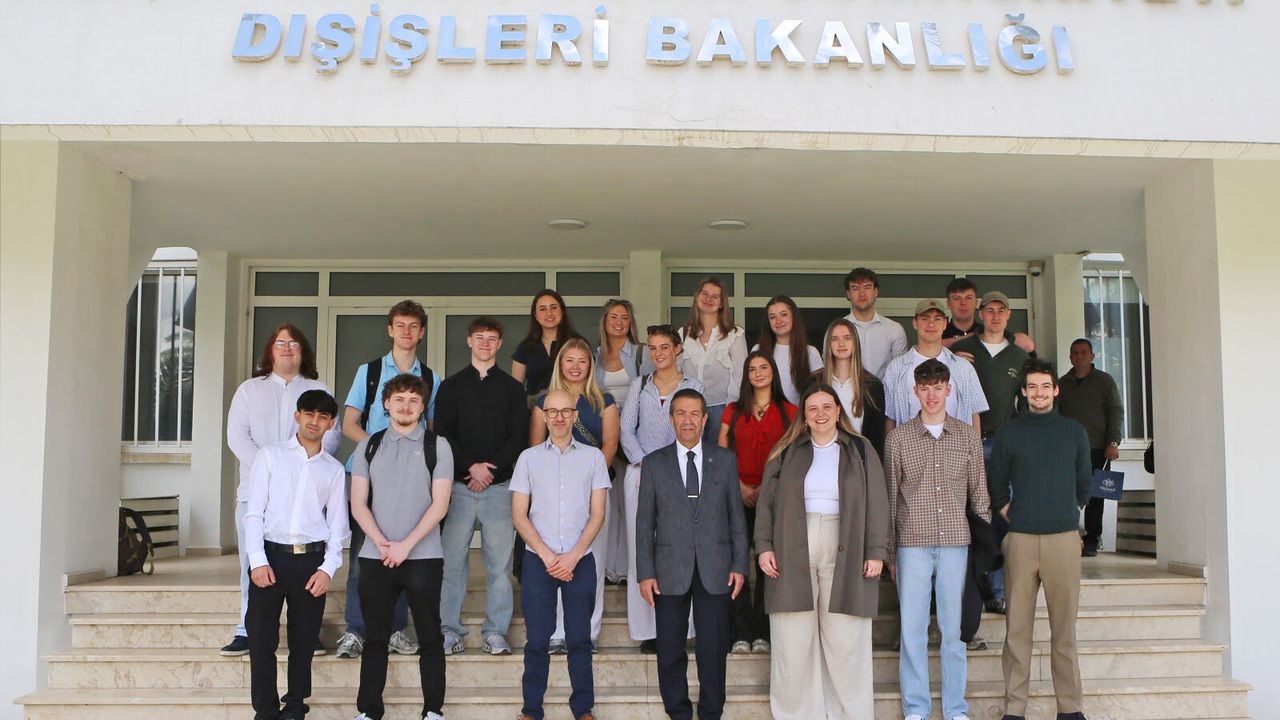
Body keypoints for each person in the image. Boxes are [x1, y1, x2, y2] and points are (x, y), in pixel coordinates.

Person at [755, 383, 889, 720]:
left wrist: (876, 550)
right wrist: (764, 546)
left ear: (838, 410)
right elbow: (766, 504)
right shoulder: (786, 450)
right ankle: (797, 714)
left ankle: (849, 714)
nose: (820, 414)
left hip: (846, 542)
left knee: (846, 638)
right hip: (791, 543)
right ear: (804, 415)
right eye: (812, 408)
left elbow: (878, 501)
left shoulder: (860, 449)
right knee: (792, 638)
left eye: (827, 407)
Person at [224, 324, 340, 657]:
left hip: (307, 496)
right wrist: (271, 470)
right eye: (280, 342)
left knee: (307, 566)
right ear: (270, 350)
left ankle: (307, 631)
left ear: (303, 351)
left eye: (293, 343)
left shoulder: (317, 389)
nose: (287, 347)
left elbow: (331, 437)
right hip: (254, 493)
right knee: (252, 562)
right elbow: (237, 436)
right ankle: (247, 629)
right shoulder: (249, 390)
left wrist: (298, 466)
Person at [884, 359, 991, 720]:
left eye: (938, 387)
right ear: (915, 391)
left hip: (955, 542)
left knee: (953, 631)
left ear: (949, 390)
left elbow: (980, 495)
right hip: (911, 543)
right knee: (912, 630)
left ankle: (955, 709)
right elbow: (890, 497)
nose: (932, 395)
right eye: (925, 388)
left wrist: (984, 546)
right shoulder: (898, 439)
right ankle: (916, 708)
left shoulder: (967, 437)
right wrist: (890, 553)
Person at [336, 300, 442, 659]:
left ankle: (395, 629)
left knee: (403, 554)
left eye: (413, 326)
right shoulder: (368, 372)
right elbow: (349, 423)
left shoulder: (431, 378)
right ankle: (356, 630)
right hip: (368, 475)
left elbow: (431, 429)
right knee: (363, 556)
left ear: (422, 332)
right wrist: (380, 449)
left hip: (412, 479)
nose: (406, 332)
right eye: (400, 325)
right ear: (390, 330)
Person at [989, 359, 1092, 720]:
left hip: (1063, 539)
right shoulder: (1009, 434)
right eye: (1032, 386)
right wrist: (1011, 513)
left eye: (1045, 386)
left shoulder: (1074, 432)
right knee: (1017, 631)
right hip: (1021, 540)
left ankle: (1070, 708)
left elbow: (1084, 482)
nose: (1039, 393)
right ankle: (1015, 709)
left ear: (1055, 390)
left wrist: (1068, 510)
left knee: (1064, 632)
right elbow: (996, 484)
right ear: (1023, 391)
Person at [636, 388, 748, 720]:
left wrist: (740, 565)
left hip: (716, 568)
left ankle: (711, 713)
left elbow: (736, 518)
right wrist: (645, 572)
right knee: (670, 649)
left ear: (704, 418)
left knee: (713, 649)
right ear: (671, 419)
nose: (688, 420)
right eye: (681, 413)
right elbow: (644, 524)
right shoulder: (654, 463)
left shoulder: (724, 460)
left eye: (694, 413)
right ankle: (679, 713)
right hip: (668, 569)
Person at [350, 374, 453, 720]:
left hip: (423, 556)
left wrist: (405, 546)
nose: (405, 406)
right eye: (399, 399)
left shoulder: (438, 445)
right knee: (375, 638)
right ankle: (369, 711)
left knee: (430, 637)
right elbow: (358, 504)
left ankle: (433, 711)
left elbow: (440, 505)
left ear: (423, 407)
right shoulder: (368, 445)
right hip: (376, 555)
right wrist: (382, 542)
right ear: (386, 404)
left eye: (413, 400)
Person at [242, 390, 347, 720]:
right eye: (309, 414)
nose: (315, 421)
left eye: (323, 417)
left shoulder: (333, 470)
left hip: (310, 563)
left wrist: (328, 569)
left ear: (330, 424)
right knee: (261, 639)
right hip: (270, 558)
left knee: (304, 641)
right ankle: (265, 710)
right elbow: (254, 513)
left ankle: (296, 706)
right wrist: (257, 560)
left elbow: (338, 525)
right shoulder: (270, 456)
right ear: (297, 416)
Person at [511, 389, 611, 720]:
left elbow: (598, 514)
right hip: (538, 561)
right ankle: (531, 710)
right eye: (551, 411)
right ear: (543, 416)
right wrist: (547, 556)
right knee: (537, 641)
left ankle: (583, 709)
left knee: (580, 639)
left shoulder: (594, 458)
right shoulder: (528, 458)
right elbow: (519, 515)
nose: (558, 417)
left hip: (580, 561)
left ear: (575, 415)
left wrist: (572, 556)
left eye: (565, 411)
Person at [434, 317, 529, 656]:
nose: (485, 343)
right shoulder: (450, 386)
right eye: (479, 337)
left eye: (491, 338)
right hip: (458, 489)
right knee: (451, 564)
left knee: (499, 566)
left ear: (500, 344)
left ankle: (496, 632)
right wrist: (470, 467)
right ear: (469, 341)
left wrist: (490, 471)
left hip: (499, 488)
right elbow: (442, 434)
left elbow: (518, 437)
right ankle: (449, 631)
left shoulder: (513, 389)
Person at [529, 338, 620, 651]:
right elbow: (535, 450)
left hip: (594, 492)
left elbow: (610, 446)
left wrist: (588, 480)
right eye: (570, 360)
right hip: (551, 494)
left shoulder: (604, 401)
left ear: (591, 365)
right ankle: (556, 633)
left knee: (591, 563)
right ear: (560, 364)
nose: (576, 366)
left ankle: (586, 633)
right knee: (554, 559)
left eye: (583, 360)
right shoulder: (544, 402)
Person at [620, 324, 702, 653]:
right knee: (642, 551)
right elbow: (626, 429)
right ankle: (648, 630)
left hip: (682, 475)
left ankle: (680, 629)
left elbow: (694, 429)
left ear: (677, 349)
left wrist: (674, 465)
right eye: (652, 348)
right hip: (641, 474)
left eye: (664, 347)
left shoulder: (692, 386)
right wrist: (646, 465)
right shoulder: (639, 385)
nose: (658, 354)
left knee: (680, 551)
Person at [953, 291, 1032, 618]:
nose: (995, 316)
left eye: (1001, 310)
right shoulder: (963, 349)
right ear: (980, 314)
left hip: (1004, 445)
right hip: (965, 443)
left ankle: (997, 591)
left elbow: (1026, 405)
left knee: (1002, 515)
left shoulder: (1019, 355)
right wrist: (952, 354)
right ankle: (967, 590)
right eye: (989, 310)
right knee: (967, 516)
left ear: (1008, 315)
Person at [718, 351, 796, 655]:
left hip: (773, 497)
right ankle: (740, 631)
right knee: (736, 562)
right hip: (736, 494)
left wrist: (766, 488)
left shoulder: (790, 411)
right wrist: (738, 486)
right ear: (746, 375)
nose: (759, 373)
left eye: (764, 367)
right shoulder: (734, 410)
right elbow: (722, 452)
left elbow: (793, 456)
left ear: (774, 372)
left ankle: (762, 632)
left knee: (768, 564)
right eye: (752, 369)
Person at [594, 298, 653, 585]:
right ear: (604, 322)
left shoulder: (642, 354)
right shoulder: (594, 356)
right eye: (613, 317)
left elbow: (650, 391)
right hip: (602, 436)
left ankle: (631, 570)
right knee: (607, 503)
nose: (619, 322)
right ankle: (609, 569)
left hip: (633, 435)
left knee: (632, 505)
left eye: (624, 318)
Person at [1057, 339, 1124, 557]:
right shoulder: (1062, 384)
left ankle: (1092, 539)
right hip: (1069, 450)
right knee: (1068, 493)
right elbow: (1056, 416)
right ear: (1070, 357)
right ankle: (1067, 536)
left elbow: (1116, 412)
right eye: (1075, 353)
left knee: (1096, 496)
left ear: (1092, 356)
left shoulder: (1104, 381)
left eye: (1084, 352)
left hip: (1098, 449)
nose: (1079, 356)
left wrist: (1113, 442)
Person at [883, 299, 989, 435]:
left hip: (956, 446)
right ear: (915, 323)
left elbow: (974, 414)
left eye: (937, 319)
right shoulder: (896, 368)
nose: (931, 324)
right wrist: (891, 448)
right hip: (911, 446)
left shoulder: (963, 367)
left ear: (945, 324)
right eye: (925, 318)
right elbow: (890, 418)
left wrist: (975, 448)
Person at [677, 277, 748, 445]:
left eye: (715, 296)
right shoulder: (683, 333)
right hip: (689, 410)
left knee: (718, 457)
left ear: (722, 303)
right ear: (697, 297)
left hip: (722, 410)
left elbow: (740, 376)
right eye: (705, 294)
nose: (709, 299)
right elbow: (676, 373)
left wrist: (731, 411)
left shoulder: (734, 335)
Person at [817, 317, 888, 458]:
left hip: (859, 461)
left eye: (847, 338)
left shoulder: (873, 386)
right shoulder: (815, 382)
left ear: (855, 342)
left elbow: (877, 438)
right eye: (835, 339)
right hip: (822, 458)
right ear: (828, 344)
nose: (841, 343)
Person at [752, 295, 822, 404]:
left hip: (799, 413)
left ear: (794, 317)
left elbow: (817, 394)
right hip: (765, 413)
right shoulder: (758, 350)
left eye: (783, 314)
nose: (778, 321)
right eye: (772, 317)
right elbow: (749, 389)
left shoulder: (810, 352)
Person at [512, 289, 579, 398]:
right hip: (533, 406)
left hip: (571, 405)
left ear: (562, 311)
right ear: (535, 315)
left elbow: (589, 382)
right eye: (542, 309)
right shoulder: (525, 347)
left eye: (554, 307)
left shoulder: (577, 344)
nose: (549, 313)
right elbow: (515, 390)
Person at [843, 267, 908, 379]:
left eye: (867, 287)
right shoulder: (836, 330)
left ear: (876, 292)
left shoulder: (894, 329)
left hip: (885, 390)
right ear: (848, 294)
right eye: (855, 288)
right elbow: (830, 368)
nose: (862, 293)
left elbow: (900, 373)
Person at [942, 278, 1036, 356]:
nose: (963, 303)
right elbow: (932, 347)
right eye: (957, 298)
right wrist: (963, 339)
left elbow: (1028, 345)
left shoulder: (988, 330)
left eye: (969, 298)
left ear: (976, 303)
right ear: (948, 304)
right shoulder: (939, 333)